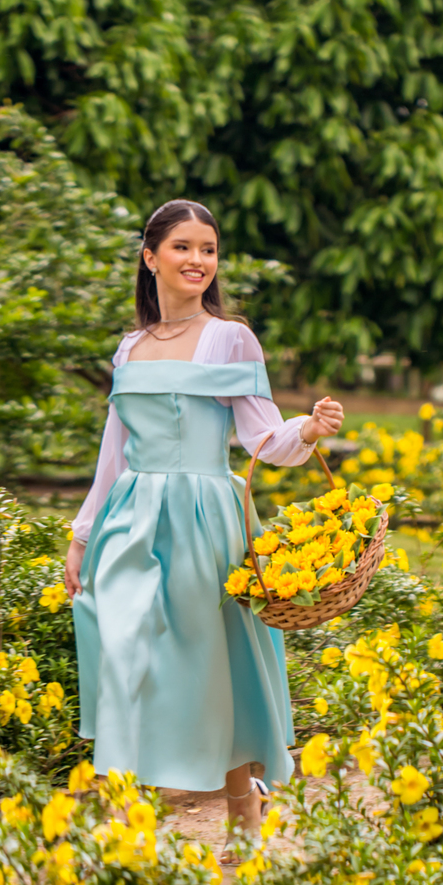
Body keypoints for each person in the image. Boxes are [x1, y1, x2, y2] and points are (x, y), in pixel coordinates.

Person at [63, 198, 343, 835]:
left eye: (209, 249)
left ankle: (243, 807)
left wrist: (308, 426)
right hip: (132, 520)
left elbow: (262, 439)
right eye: (183, 247)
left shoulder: (230, 337)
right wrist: (83, 535)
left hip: (204, 518)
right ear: (150, 256)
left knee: (209, 664)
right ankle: (129, 811)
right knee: (124, 650)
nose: (198, 260)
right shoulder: (130, 347)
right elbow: (114, 454)